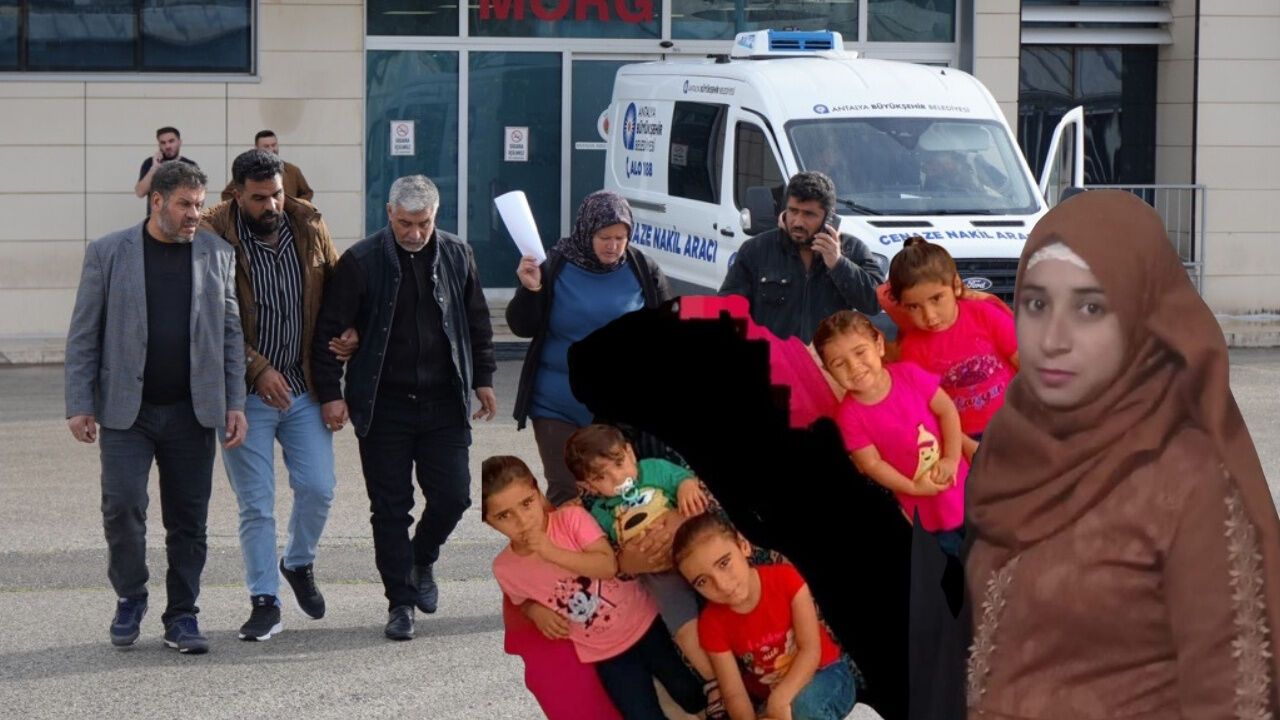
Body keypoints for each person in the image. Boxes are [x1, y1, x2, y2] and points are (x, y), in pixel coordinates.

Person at [964, 190, 1280, 718]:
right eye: (1037, 304)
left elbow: (1230, 693)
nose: (1053, 339)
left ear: (1143, 317)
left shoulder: (1187, 477)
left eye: (1090, 307)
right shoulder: (1011, 439)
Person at [65, 161, 246, 654]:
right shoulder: (108, 252)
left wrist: (234, 401)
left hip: (192, 411)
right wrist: (79, 403)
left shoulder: (217, 253)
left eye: (199, 204)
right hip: (129, 412)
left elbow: (230, 334)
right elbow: (84, 333)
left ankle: (182, 615)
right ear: (157, 201)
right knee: (122, 506)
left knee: (189, 520)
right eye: (185, 204)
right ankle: (131, 595)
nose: (194, 214)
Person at [311, 174, 497, 640]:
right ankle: (400, 602)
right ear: (389, 214)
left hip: (443, 402)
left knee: (454, 496)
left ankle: (421, 558)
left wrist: (484, 379)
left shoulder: (457, 254)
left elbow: (477, 321)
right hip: (384, 404)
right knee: (390, 509)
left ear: (436, 216)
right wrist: (331, 393)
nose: (415, 233)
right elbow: (330, 331)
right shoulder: (361, 261)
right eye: (405, 224)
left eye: (424, 223)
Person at [202, 148, 356, 641]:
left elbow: (338, 286)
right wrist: (257, 367)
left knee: (318, 487)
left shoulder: (307, 223)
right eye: (259, 198)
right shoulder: (211, 234)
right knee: (256, 505)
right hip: (243, 395)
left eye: (276, 195)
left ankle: (298, 561)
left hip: (304, 386)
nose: (271, 206)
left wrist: (351, 328)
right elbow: (208, 317)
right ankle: (264, 600)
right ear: (236, 194)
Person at [483, 455, 708, 719]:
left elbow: (607, 566)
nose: (522, 520)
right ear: (489, 522)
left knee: (689, 691)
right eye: (504, 516)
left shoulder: (571, 519)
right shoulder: (505, 568)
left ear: (539, 493)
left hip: (646, 623)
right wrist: (534, 611)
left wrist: (550, 551)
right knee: (640, 713)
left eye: (526, 503)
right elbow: (520, 599)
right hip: (604, 654)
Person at [507, 190, 672, 507]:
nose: (613, 246)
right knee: (568, 492)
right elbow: (522, 327)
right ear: (586, 231)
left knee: (619, 494)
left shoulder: (642, 269)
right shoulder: (554, 265)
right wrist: (531, 290)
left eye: (620, 238)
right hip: (557, 403)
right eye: (604, 237)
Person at [564, 424, 727, 718]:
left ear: (630, 452)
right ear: (588, 486)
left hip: (693, 551)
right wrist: (627, 558)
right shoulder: (601, 511)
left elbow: (684, 480)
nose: (617, 478)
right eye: (601, 477)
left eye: (619, 463)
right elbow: (609, 551)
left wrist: (686, 487)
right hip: (659, 577)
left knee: (724, 598)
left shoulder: (654, 469)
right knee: (683, 626)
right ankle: (716, 681)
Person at [673, 513, 857, 720]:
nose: (722, 585)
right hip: (771, 698)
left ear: (743, 546)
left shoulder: (786, 579)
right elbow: (734, 693)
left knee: (803, 707)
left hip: (826, 674)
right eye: (702, 582)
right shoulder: (710, 624)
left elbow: (810, 651)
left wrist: (780, 700)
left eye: (724, 563)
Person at [813, 310, 967, 554]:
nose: (854, 367)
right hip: (923, 506)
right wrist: (913, 488)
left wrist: (951, 459)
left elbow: (947, 410)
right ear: (828, 371)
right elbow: (872, 464)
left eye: (860, 352)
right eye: (839, 364)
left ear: (879, 345)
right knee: (953, 556)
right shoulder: (848, 417)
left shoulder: (910, 375)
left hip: (960, 483)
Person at [885, 237, 1019, 457]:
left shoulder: (984, 314)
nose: (930, 316)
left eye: (936, 299)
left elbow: (1027, 366)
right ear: (901, 306)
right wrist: (964, 445)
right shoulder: (912, 349)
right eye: (914, 307)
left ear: (955, 285)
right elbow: (928, 410)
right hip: (965, 437)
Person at [719, 171, 883, 343]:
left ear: (828, 218)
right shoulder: (756, 249)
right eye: (793, 211)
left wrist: (838, 264)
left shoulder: (852, 249)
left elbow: (875, 303)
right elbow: (727, 308)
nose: (797, 222)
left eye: (808, 214)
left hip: (826, 358)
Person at [220, 130, 315, 203]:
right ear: (257, 148)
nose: (271, 149)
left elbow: (307, 193)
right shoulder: (248, 171)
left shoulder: (292, 170)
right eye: (266, 146)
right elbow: (227, 195)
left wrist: (294, 207)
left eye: (274, 145)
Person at [135, 126, 197, 214]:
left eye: (171, 141)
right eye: (163, 143)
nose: (167, 146)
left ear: (179, 142)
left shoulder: (190, 165)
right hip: (155, 219)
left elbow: (196, 196)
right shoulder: (150, 163)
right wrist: (155, 167)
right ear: (159, 145)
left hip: (182, 218)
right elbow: (140, 192)